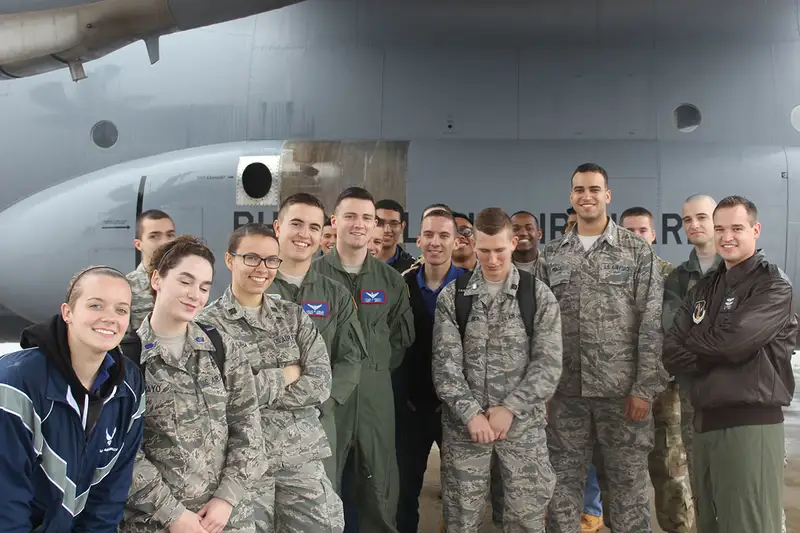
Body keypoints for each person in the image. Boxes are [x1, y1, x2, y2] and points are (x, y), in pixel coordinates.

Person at [538, 163, 665, 533]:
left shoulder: (636, 251)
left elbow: (651, 322)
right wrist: (543, 390)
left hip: (622, 395)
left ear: (607, 195)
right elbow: (541, 328)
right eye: (579, 190)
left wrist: (644, 388)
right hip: (566, 395)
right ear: (571, 197)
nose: (586, 196)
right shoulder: (552, 255)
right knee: (562, 484)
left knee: (627, 486)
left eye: (594, 189)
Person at [663, 195, 797, 533]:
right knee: (710, 523)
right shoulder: (707, 286)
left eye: (737, 228)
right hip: (706, 423)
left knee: (749, 524)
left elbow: (733, 343)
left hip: (750, 424)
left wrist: (704, 340)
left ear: (756, 229)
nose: (727, 236)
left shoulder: (772, 285)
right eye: (720, 228)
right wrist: (716, 344)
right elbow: (671, 347)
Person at [200, 223, 343, 533]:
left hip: (300, 461)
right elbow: (216, 399)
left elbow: (320, 383)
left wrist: (252, 387)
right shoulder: (206, 326)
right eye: (251, 258)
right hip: (240, 469)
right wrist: (286, 374)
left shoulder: (292, 317)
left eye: (271, 260)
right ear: (230, 260)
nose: (262, 268)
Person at [122, 235, 264, 533]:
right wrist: (174, 515)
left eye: (204, 287)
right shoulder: (127, 358)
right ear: (157, 279)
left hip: (226, 521)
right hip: (156, 523)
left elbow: (247, 427)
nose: (195, 295)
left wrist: (227, 499)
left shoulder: (221, 347)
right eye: (185, 281)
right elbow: (122, 452)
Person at [433, 207, 562, 533]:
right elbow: (445, 366)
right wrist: (471, 414)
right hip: (466, 433)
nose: (492, 260)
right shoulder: (454, 296)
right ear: (472, 244)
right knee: (462, 520)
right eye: (485, 251)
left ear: (514, 242)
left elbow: (548, 364)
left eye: (500, 250)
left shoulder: (537, 295)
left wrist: (511, 408)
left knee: (525, 521)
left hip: (522, 432)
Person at [0, 266, 145, 533]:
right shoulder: (15, 383)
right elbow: (6, 501)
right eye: (95, 305)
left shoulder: (129, 386)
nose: (110, 318)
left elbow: (108, 498)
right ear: (68, 312)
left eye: (121, 310)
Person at [311, 186, 415, 533]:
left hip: (375, 393)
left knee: (379, 484)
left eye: (367, 218)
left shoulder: (391, 281)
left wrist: (373, 368)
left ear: (374, 226)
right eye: (351, 216)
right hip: (324, 396)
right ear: (334, 221)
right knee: (319, 481)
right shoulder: (312, 279)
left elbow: (400, 339)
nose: (359, 224)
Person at [268, 193, 367, 488]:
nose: (305, 234)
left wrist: (322, 403)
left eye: (314, 227)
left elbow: (350, 359)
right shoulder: (254, 286)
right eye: (296, 224)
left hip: (316, 427)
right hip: (260, 427)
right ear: (277, 227)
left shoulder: (335, 295)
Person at [619, 206, 694, 533]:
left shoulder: (672, 277)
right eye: (628, 232)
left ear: (654, 235)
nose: (635, 237)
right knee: (623, 472)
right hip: (619, 391)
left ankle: (677, 527)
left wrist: (652, 383)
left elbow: (678, 337)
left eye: (642, 231)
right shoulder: (607, 278)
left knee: (670, 470)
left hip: (663, 391)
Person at [393, 208, 466, 533]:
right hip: (409, 410)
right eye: (430, 235)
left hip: (459, 412)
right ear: (419, 239)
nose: (436, 242)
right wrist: (401, 399)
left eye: (444, 235)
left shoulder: (471, 288)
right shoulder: (400, 287)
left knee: (461, 497)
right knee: (403, 494)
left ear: (456, 241)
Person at [662, 193, 722, 492]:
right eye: (687, 220)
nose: (694, 225)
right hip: (694, 396)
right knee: (702, 482)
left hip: (739, 397)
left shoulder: (742, 271)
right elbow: (674, 333)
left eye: (702, 217)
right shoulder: (678, 279)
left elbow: (748, 335)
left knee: (747, 487)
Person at [126, 209, 176, 332]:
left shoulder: (189, 283)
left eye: (170, 235)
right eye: (154, 236)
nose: (165, 242)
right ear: (138, 244)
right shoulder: (126, 288)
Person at [375, 199, 416, 272]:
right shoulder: (355, 262)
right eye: (380, 223)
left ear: (402, 226)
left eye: (394, 223)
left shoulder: (412, 268)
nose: (387, 230)